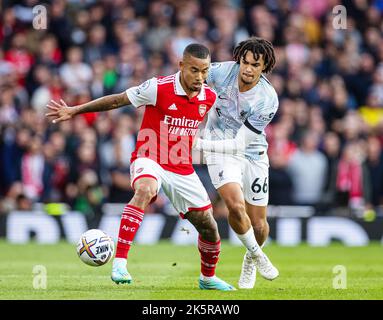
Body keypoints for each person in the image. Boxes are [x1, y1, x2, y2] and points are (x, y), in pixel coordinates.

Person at [46, 44, 235, 291]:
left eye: (204, 71)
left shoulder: (208, 97)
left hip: (181, 167)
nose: (200, 77)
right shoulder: (158, 87)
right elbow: (117, 100)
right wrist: (76, 110)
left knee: (209, 227)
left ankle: (207, 278)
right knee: (145, 190)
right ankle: (120, 264)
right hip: (149, 157)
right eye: (194, 70)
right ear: (181, 66)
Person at [194, 37, 279, 289]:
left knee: (259, 224)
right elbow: (189, 80)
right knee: (234, 205)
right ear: (239, 60)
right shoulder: (220, 72)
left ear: (264, 67)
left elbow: (239, 145)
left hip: (251, 152)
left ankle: (250, 259)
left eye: (255, 64)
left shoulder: (267, 99)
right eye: (245, 62)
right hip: (219, 150)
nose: (248, 69)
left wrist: (197, 144)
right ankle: (260, 256)